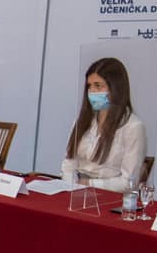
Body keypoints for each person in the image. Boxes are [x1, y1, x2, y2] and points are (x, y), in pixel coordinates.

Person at [60, 57, 147, 192]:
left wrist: (88, 183)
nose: (92, 91)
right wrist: (71, 186)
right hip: (76, 191)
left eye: (98, 86)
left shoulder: (133, 127)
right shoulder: (82, 121)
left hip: (108, 194)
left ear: (116, 88)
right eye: (89, 86)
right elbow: (68, 165)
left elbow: (128, 182)